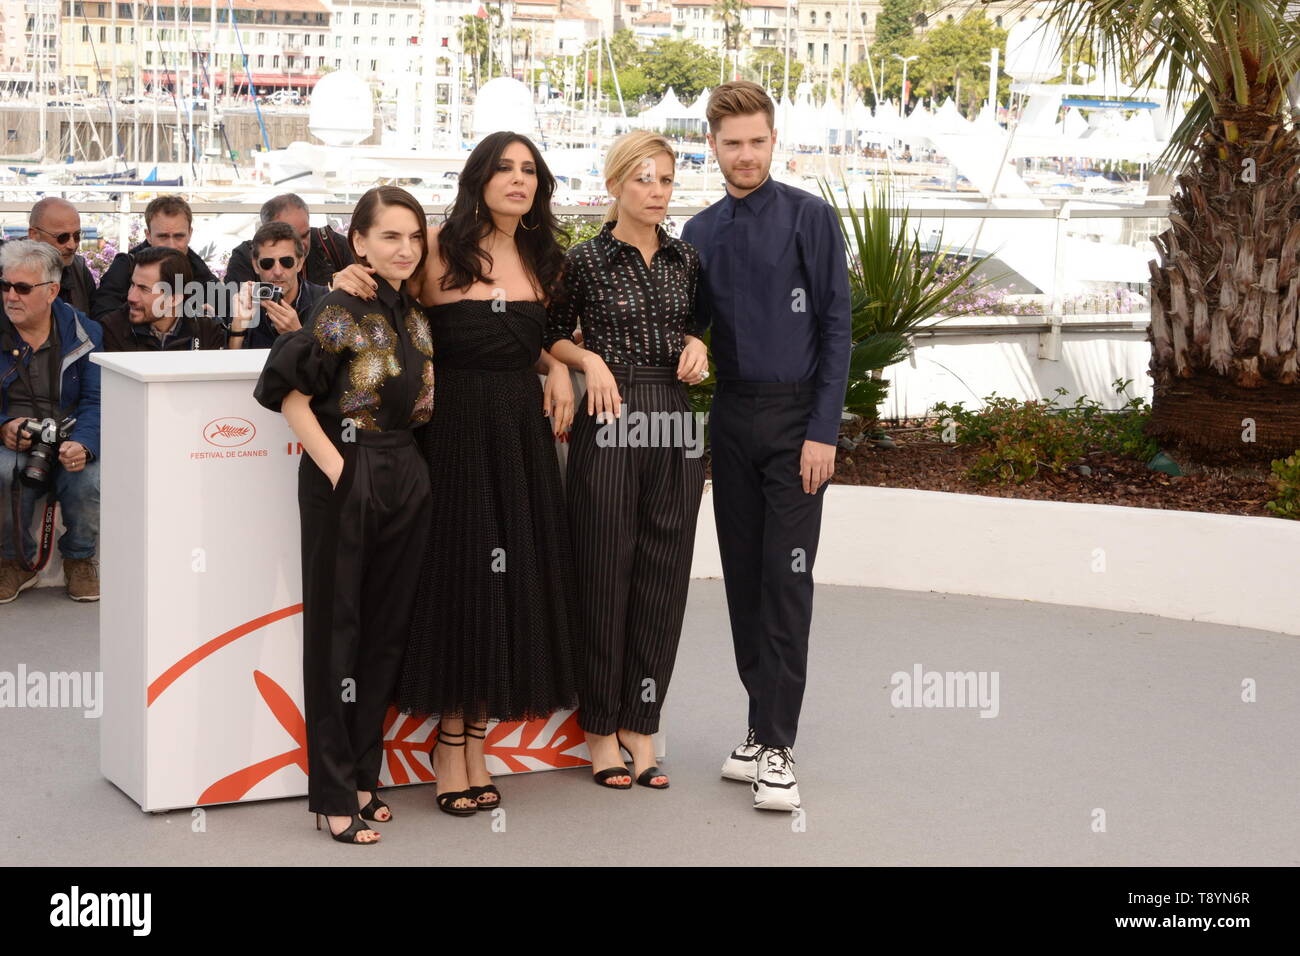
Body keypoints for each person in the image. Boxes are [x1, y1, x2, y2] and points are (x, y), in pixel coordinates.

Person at [331, 131, 579, 816]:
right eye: (503, 168)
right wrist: (344, 281)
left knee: (509, 589)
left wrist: (557, 364)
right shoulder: (436, 245)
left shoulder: (542, 257)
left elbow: (529, 341)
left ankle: (474, 743)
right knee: (462, 584)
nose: (518, 179)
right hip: (455, 436)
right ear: (479, 178)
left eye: (529, 170)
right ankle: (449, 746)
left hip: (521, 439)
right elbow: (381, 294)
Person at [682, 81, 851, 812]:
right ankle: (757, 726)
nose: (744, 155)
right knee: (745, 580)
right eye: (731, 143)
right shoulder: (698, 231)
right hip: (732, 417)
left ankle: (778, 744)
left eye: (756, 142)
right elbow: (691, 326)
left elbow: (837, 329)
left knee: (787, 582)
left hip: (795, 426)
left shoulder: (811, 218)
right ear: (713, 146)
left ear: (773, 141)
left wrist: (822, 431)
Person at [253, 186, 435, 846]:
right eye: (390, 236)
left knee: (384, 635)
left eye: (414, 236)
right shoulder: (341, 305)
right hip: (346, 471)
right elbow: (289, 396)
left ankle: (363, 776)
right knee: (337, 636)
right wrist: (339, 470)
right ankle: (332, 792)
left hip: (405, 472)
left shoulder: (413, 310)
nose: (405, 249)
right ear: (359, 241)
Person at [544, 130, 709, 790]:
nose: (657, 192)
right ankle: (601, 730)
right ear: (614, 186)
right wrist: (586, 362)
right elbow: (548, 332)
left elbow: (699, 325)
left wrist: (699, 346)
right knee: (603, 573)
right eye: (644, 179)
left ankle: (644, 723)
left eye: (666, 180)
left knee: (664, 577)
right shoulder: (584, 261)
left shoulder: (687, 260)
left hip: (675, 415)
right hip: (610, 415)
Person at [0, 240, 102, 604]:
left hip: (71, 432)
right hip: (12, 438)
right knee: (3, 470)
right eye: (5, 285)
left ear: (51, 291)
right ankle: (14, 561)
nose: (11, 296)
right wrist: (4, 425)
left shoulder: (84, 332)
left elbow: (97, 399)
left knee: (89, 477)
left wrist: (85, 444)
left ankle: (80, 558)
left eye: (23, 288)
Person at [91, 195, 218, 321]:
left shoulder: (203, 275)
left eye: (179, 236)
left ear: (190, 234)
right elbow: (103, 318)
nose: (171, 245)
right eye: (163, 237)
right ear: (148, 235)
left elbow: (225, 319)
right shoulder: (126, 266)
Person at [99, 247, 226, 352]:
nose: (131, 297)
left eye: (144, 289)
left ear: (174, 298)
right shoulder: (113, 328)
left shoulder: (206, 330)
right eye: (132, 284)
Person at [227, 221, 327, 350]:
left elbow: (333, 366)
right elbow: (231, 365)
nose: (278, 272)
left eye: (286, 262)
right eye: (267, 263)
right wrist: (237, 331)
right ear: (255, 265)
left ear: (299, 263)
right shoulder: (244, 303)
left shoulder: (325, 301)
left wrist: (298, 335)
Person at [224, 193, 354, 288]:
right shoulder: (244, 257)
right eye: (289, 237)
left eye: (305, 235)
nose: (301, 245)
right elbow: (234, 312)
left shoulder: (331, 244)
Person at [25, 197, 96, 316]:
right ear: (34, 235)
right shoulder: (10, 272)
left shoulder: (79, 270)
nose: (72, 245)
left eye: (77, 236)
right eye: (62, 237)